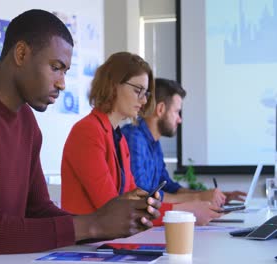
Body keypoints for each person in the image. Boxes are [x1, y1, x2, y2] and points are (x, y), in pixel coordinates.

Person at [0, 10, 161, 263]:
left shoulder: (26, 122)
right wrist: (93, 224)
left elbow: (38, 210)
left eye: (65, 71)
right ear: (21, 54)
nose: (62, 83)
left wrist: (109, 224)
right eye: (56, 68)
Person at [61, 52, 222, 226]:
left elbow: (137, 198)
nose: (144, 100)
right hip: (88, 246)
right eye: (138, 90)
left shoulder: (119, 138)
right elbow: (113, 209)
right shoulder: (88, 131)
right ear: (113, 85)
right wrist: (183, 211)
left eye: (145, 93)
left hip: (111, 240)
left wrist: (186, 208)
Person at [122, 78, 246, 206]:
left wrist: (217, 196)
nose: (179, 119)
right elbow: (145, 195)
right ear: (161, 109)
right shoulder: (134, 139)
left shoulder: (154, 142)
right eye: (176, 112)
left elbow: (168, 187)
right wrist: (199, 197)